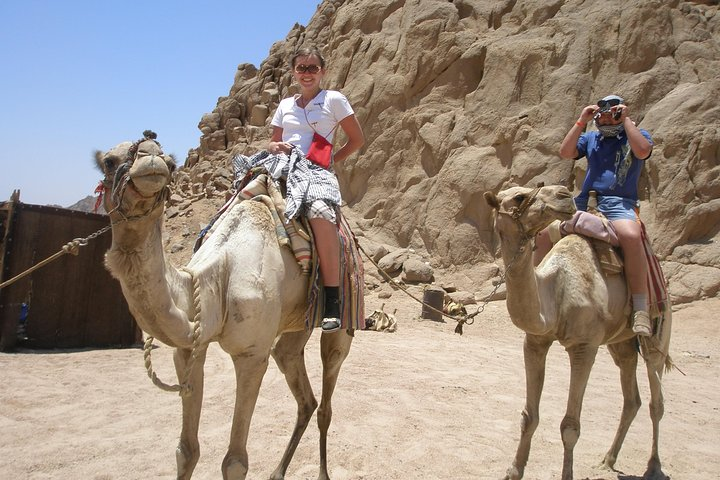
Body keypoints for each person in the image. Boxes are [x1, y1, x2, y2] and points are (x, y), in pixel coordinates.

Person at [536, 94, 654, 337]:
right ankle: (536, 293)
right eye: (604, 111)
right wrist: (582, 120)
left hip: (620, 203)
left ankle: (640, 308)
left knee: (631, 236)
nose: (608, 115)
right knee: (542, 233)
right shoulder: (592, 138)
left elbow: (642, 152)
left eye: (614, 111)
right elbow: (566, 151)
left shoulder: (635, 135)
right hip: (585, 201)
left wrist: (627, 120)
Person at [267, 46, 365, 333]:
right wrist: (276, 147)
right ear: (293, 72)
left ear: (322, 72)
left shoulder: (334, 99)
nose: (307, 73)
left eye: (312, 68)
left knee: (320, 213)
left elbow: (357, 139)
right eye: (301, 68)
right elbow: (272, 142)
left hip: (316, 171)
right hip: (281, 166)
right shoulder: (285, 104)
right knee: (239, 196)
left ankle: (331, 299)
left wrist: (329, 160)